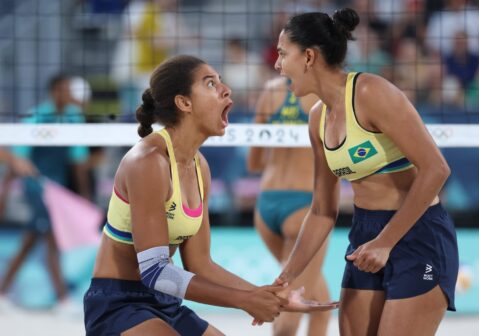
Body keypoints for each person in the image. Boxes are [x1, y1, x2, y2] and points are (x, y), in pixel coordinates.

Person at [83, 55, 338, 336]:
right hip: (118, 302)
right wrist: (244, 300)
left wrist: (268, 296)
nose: (225, 89)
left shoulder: (199, 165)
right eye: (210, 83)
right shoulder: (148, 162)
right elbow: (155, 271)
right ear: (184, 103)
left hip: (164, 300)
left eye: (220, 81)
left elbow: (200, 265)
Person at [271, 8, 459, 336]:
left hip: (416, 231)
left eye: (283, 54)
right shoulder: (317, 118)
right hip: (364, 233)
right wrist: (284, 280)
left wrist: (386, 242)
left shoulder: (371, 93)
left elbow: (436, 169)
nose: (277, 64)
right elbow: (321, 212)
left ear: (309, 57)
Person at [247, 77, 331, 336]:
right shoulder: (324, 91)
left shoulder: (270, 91)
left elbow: (254, 163)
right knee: (293, 299)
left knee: (322, 300)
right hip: (305, 204)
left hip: (267, 203)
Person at [0, 74, 91, 312]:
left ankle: (2, 291)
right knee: (51, 238)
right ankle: (62, 299)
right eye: (64, 90)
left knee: (31, 240)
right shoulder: (36, 116)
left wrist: (83, 198)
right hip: (34, 185)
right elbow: (18, 159)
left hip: (57, 190)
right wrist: (5, 191)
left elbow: (78, 160)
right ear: (54, 92)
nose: (69, 94)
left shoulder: (73, 117)